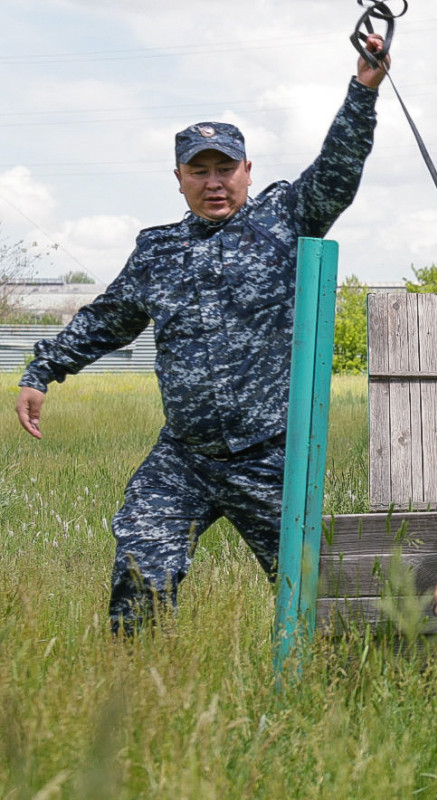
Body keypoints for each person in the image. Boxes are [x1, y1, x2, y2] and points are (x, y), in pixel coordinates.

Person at [14, 35, 391, 635]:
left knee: (313, 589)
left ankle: (351, 680)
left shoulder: (284, 219)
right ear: (179, 178)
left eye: (225, 169)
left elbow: (338, 170)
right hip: (185, 456)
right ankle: (135, 680)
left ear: (247, 170)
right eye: (200, 171)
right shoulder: (157, 250)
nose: (214, 183)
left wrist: (363, 89)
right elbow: (106, 317)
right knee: (141, 554)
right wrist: (42, 372)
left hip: (271, 455)